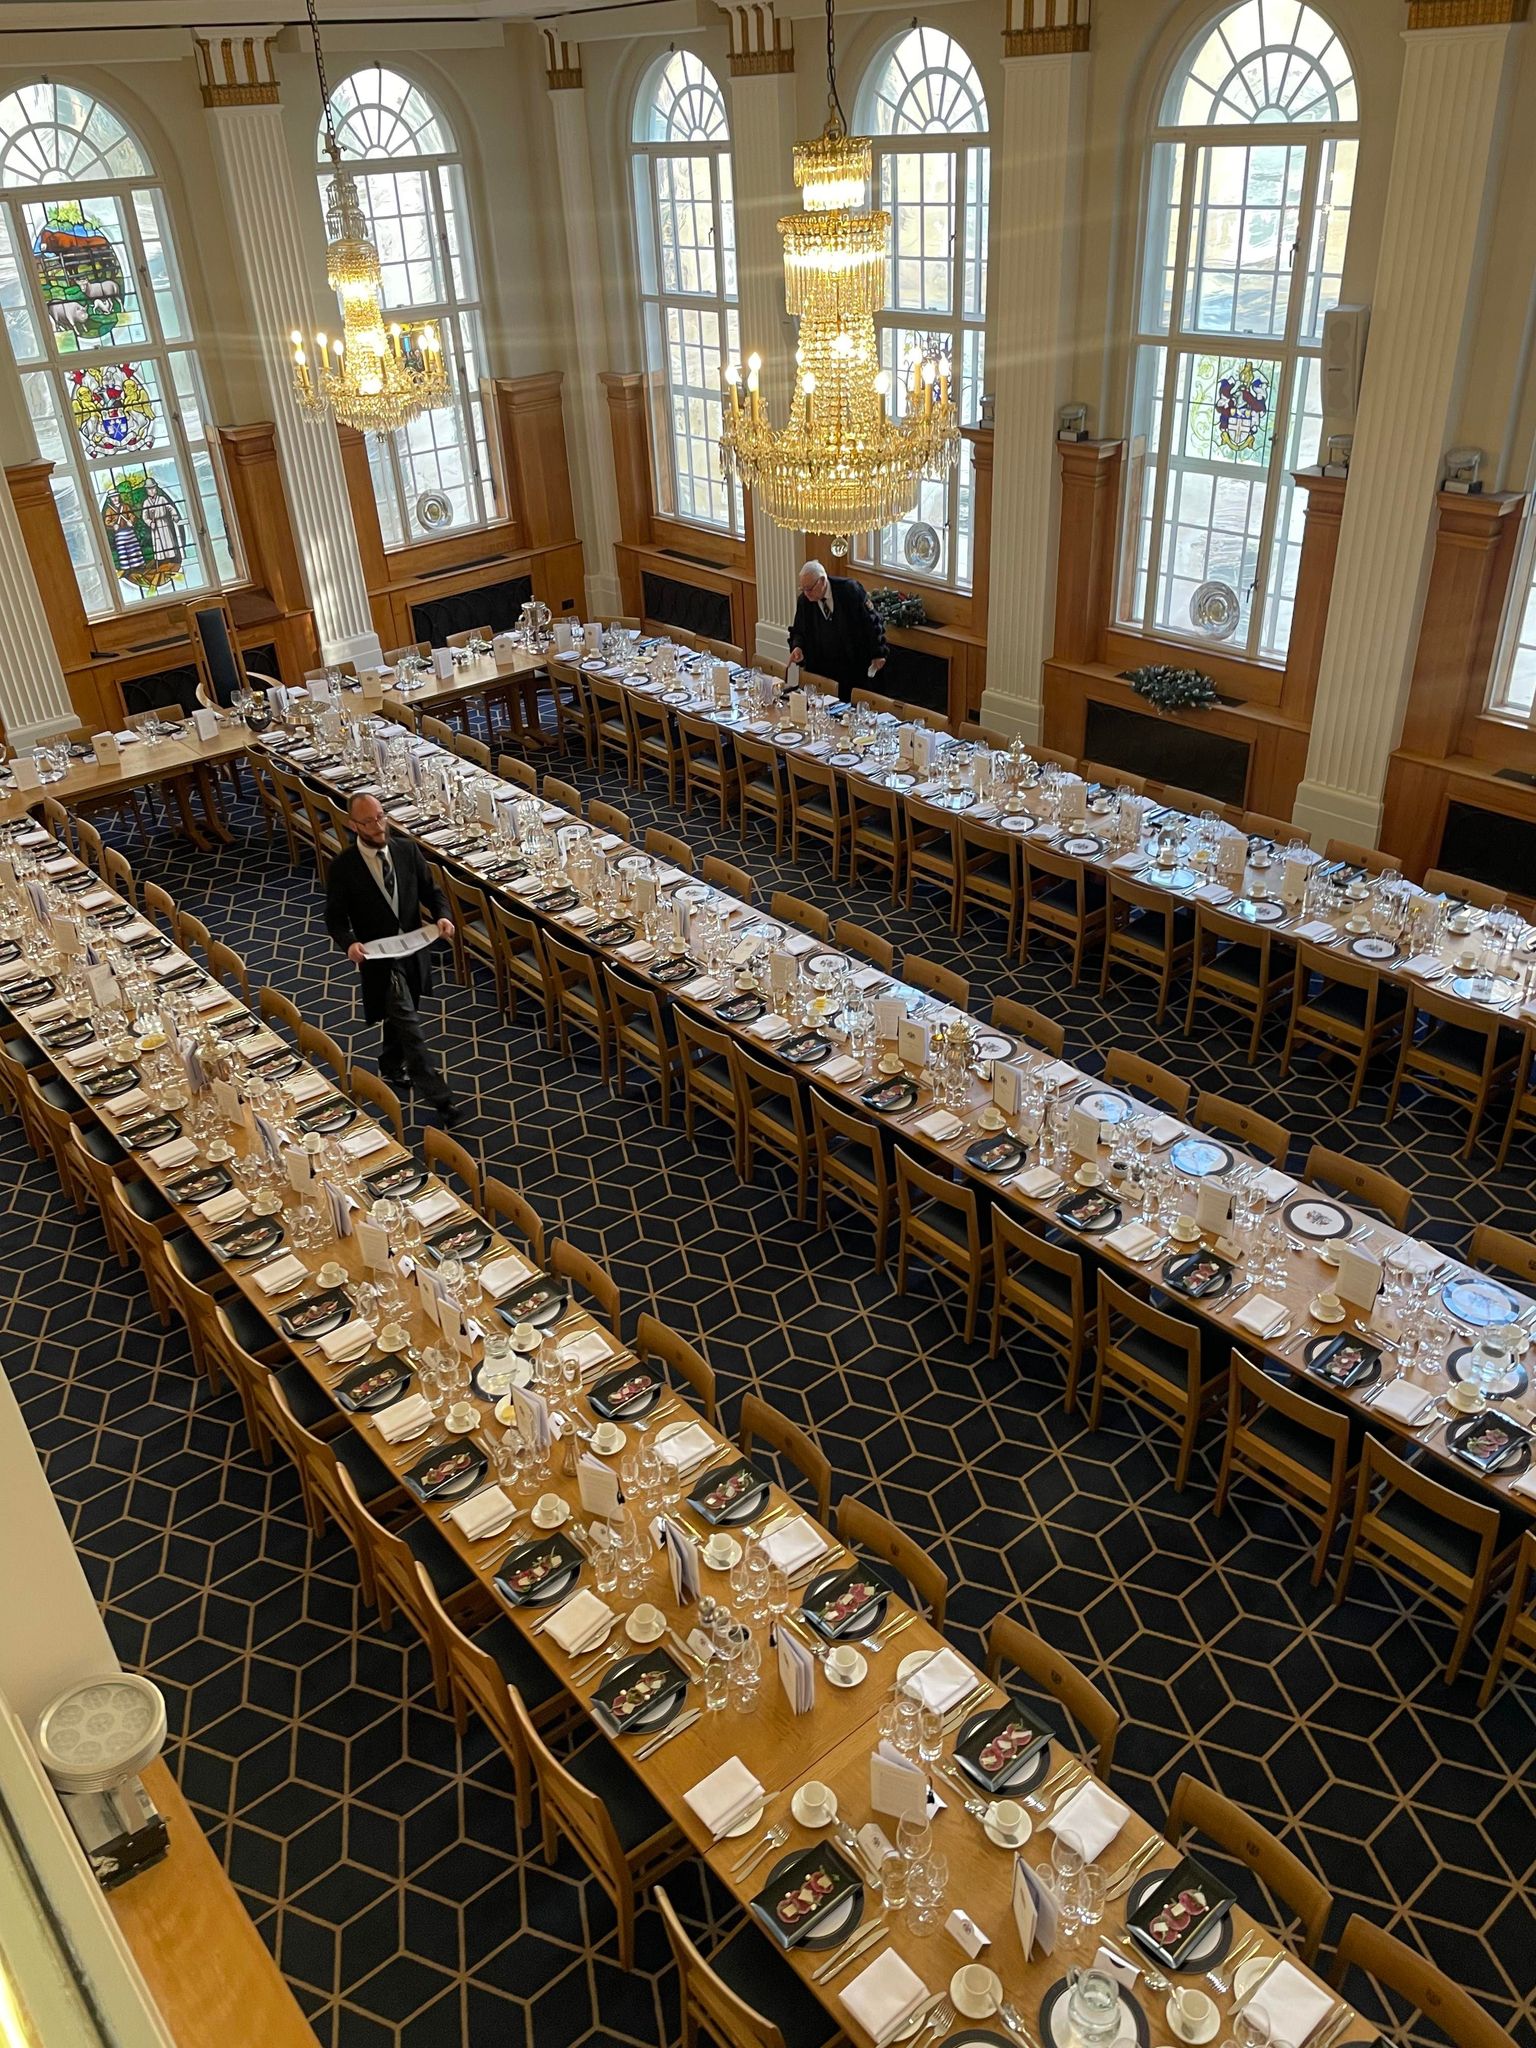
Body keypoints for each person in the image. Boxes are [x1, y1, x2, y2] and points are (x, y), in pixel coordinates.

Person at [324, 793, 460, 1124]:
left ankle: (388, 1061)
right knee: (410, 1026)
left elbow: (433, 892)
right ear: (353, 824)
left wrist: (442, 916)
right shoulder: (344, 867)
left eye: (381, 817)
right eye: (369, 821)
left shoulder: (406, 850)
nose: (378, 826)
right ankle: (441, 1099)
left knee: (404, 1011)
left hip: (413, 949)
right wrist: (350, 944)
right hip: (379, 958)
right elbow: (335, 919)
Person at [788, 559, 888, 703]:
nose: (806, 593)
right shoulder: (805, 601)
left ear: (822, 581)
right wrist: (797, 647)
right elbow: (798, 630)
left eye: (809, 588)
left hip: (852, 665)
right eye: (802, 589)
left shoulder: (849, 591)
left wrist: (878, 653)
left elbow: (872, 622)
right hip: (822, 668)